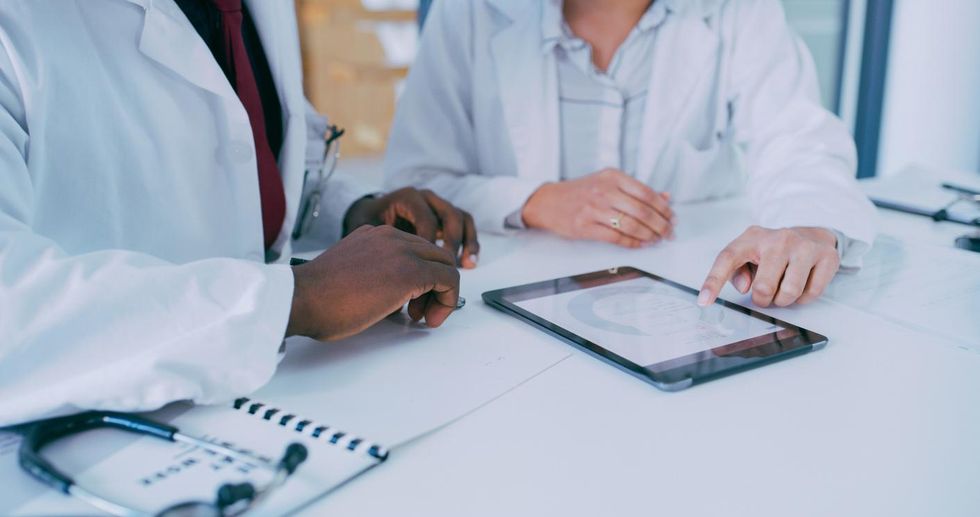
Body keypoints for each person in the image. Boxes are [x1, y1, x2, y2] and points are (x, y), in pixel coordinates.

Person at [0, 0, 480, 426]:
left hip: (290, 394)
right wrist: (294, 301)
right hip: (100, 433)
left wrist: (352, 210)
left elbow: (252, 146)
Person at [385, 0, 877, 310]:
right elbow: (412, 183)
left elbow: (797, 139)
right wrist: (535, 201)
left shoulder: (737, 10)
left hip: (686, 301)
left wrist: (811, 225)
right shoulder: (470, 11)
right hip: (505, 300)